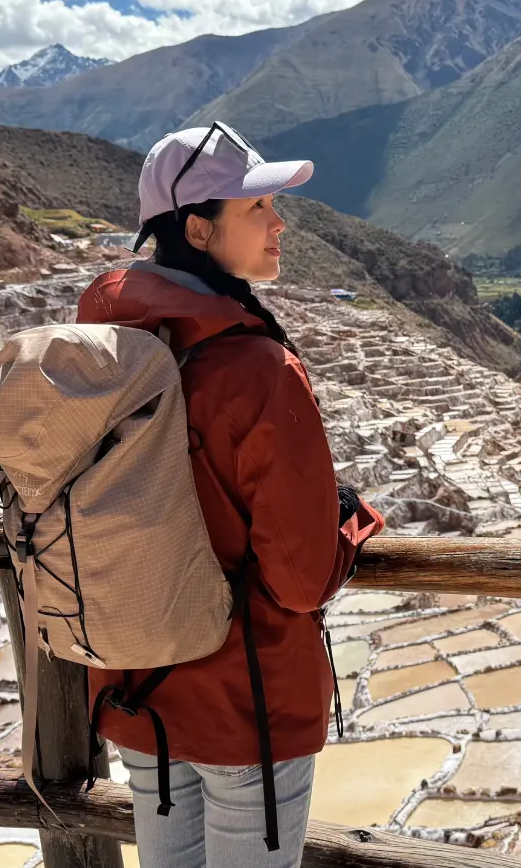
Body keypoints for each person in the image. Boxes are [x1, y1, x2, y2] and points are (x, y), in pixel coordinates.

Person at [76, 122, 380, 868]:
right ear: (197, 229)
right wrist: (352, 523)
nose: (280, 223)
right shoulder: (257, 369)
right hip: (246, 701)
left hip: (137, 687)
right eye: (257, 208)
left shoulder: (101, 351)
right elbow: (301, 579)